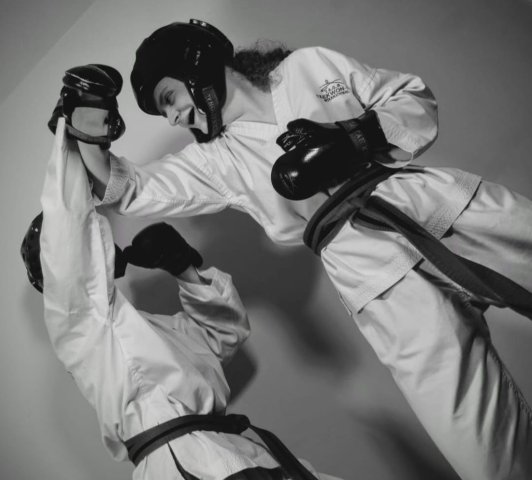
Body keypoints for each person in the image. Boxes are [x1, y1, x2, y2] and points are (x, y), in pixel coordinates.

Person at [51, 19, 532, 480]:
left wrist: (355, 139)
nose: (174, 116)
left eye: (169, 98)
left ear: (196, 65)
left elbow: (413, 99)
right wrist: (86, 127)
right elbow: (129, 186)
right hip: (371, 273)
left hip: (427, 203)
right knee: (483, 448)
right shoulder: (217, 159)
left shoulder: (307, 69)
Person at [21, 117, 343, 480]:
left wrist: (182, 267)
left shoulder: (137, 328)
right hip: (187, 459)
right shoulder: (78, 326)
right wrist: (80, 135)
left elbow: (224, 335)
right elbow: (67, 232)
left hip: (227, 448)